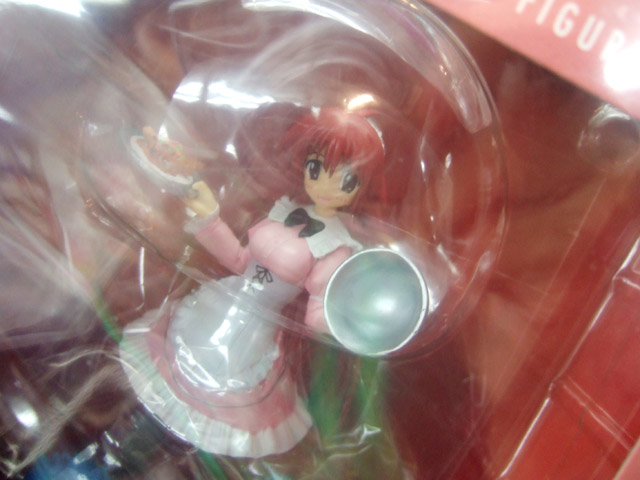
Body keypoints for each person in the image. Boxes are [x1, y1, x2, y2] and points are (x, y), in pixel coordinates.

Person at [119, 106, 393, 458]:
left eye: (345, 179)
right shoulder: (283, 210)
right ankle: (130, 445)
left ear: (361, 186)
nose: (324, 185)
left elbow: (314, 317)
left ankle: (154, 454)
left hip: (249, 335)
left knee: (203, 408)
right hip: (218, 304)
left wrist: (356, 320)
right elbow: (239, 260)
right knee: (163, 382)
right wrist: (210, 218)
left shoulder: (337, 246)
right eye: (315, 168)